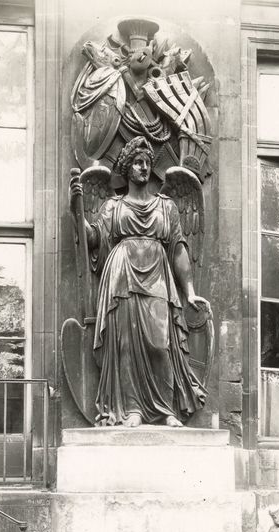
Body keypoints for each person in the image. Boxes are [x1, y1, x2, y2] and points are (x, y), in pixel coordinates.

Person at [71, 136, 209, 427]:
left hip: (158, 273)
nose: (144, 167)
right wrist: (77, 210)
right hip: (122, 274)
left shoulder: (167, 206)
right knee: (125, 346)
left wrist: (190, 292)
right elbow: (93, 239)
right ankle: (132, 408)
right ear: (127, 167)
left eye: (147, 163)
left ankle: (165, 409)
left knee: (161, 344)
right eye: (137, 162)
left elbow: (179, 249)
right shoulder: (112, 206)